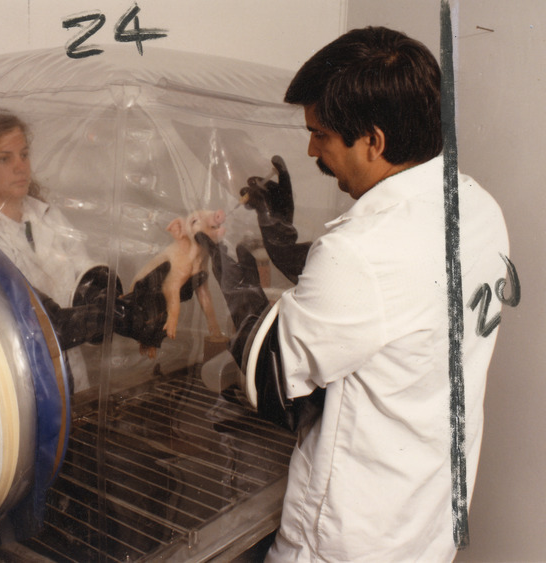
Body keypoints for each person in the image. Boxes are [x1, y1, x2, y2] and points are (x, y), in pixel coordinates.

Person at [196, 27, 510, 561]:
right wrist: (282, 239)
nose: (311, 148)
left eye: (321, 134)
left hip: (343, 542)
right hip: (423, 524)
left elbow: (268, 380)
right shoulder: (476, 208)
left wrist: (227, 262)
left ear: (374, 140)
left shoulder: (363, 251)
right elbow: (379, 307)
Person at [0, 109, 201, 390]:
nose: (21, 167)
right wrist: (108, 316)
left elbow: (81, 276)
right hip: (21, 383)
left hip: (73, 373)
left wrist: (125, 305)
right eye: (4, 158)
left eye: (24, 155)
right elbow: (23, 323)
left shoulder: (46, 216)